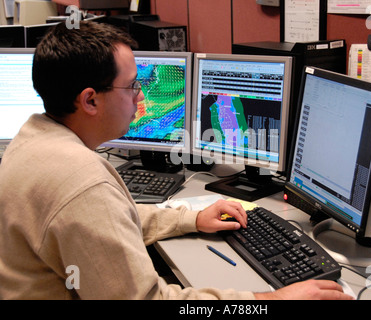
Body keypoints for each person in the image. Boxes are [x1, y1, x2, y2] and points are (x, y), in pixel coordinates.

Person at [0, 21, 352, 300]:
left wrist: (191, 218)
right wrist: (271, 300)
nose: (140, 95)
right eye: (132, 85)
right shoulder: (81, 182)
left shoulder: (33, 140)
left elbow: (111, 220)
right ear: (90, 101)